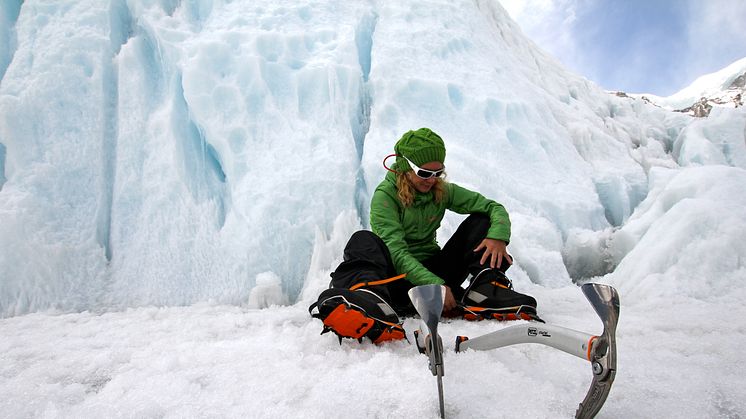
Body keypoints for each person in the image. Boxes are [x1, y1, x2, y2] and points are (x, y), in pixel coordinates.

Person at [309, 128, 539, 344]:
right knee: (363, 240)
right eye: (424, 173)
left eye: (438, 172)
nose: (432, 179)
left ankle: (485, 289)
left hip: (435, 273)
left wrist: (498, 237)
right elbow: (397, 254)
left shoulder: (440, 190)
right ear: (404, 167)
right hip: (396, 283)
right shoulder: (385, 197)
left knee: (482, 220)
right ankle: (372, 302)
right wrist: (435, 285)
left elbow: (492, 207)